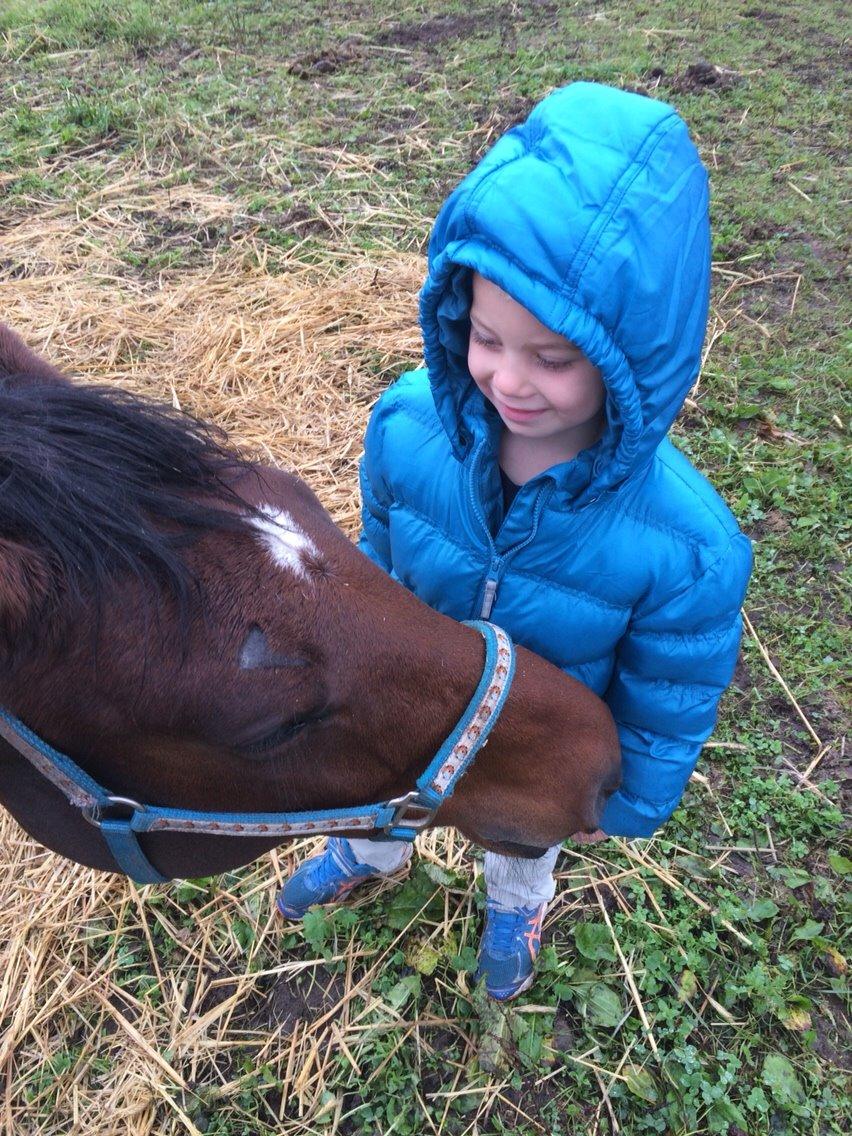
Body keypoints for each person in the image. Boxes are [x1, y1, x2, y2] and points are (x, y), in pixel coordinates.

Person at [276, 82, 752, 1001]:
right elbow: (377, 560)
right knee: (389, 784)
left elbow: (672, 685)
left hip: (536, 739)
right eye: (487, 339)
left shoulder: (687, 546)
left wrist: (631, 798)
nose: (508, 381)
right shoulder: (407, 429)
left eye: (555, 358)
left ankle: (517, 898)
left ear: (635, 358)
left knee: (520, 831)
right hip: (414, 698)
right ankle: (373, 852)